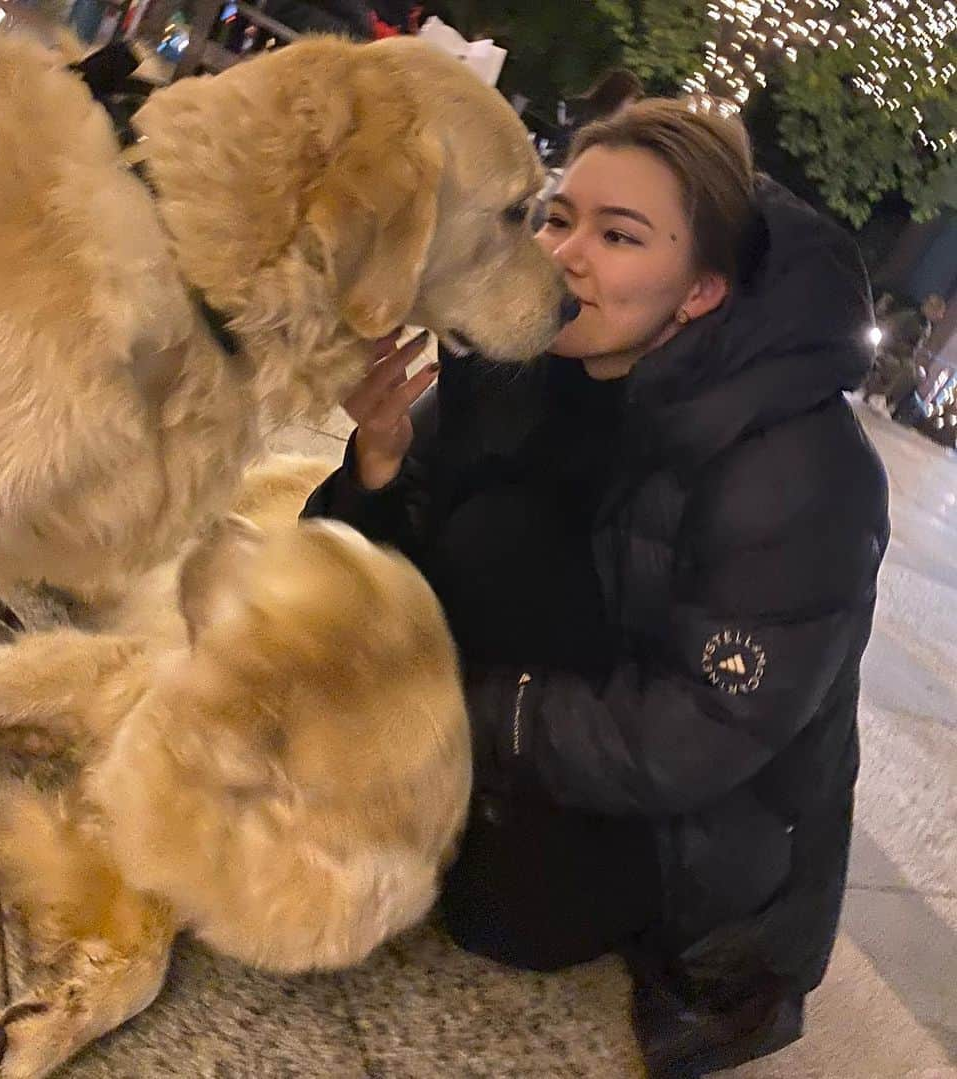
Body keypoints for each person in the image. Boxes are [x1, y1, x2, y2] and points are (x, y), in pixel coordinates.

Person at [303, 99, 888, 1078]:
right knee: (479, 531)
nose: (566, 253)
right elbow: (373, 554)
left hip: (690, 840)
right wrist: (377, 458)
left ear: (699, 292)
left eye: (618, 236)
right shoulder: (524, 356)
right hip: (536, 720)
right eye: (558, 216)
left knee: (506, 916)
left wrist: (439, 720)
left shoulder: (800, 468)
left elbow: (696, 733)